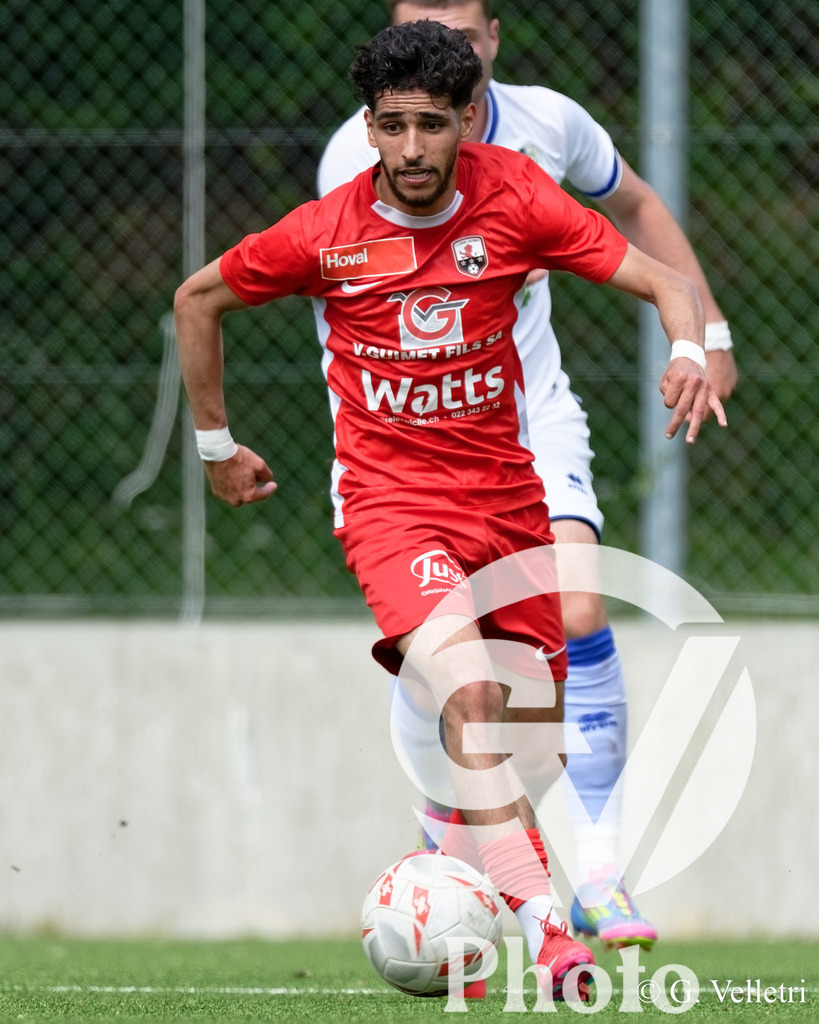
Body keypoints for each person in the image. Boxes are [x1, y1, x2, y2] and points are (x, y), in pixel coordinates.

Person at [174, 20, 725, 1002]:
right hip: (392, 507)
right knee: (471, 696)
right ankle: (552, 933)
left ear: (471, 118)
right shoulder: (329, 229)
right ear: (371, 126)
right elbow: (199, 297)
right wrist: (215, 448)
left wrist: (689, 347)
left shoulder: (517, 199)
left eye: (433, 125)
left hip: (508, 501)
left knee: (530, 739)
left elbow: (659, 278)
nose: (414, 150)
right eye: (394, 127)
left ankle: (447, 854)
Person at [317, 0, 738, 953]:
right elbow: (337, 318)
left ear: (491, 40)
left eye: (461, 33)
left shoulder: (549, 126)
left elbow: (633, 206)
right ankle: (447, 830)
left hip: (526, 415)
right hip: (407, 438)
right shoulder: (364, 156)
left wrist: (702, 333)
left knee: (579, 609)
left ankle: (594, 870)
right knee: (452, 670)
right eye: (421, 29)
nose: (443, 50)